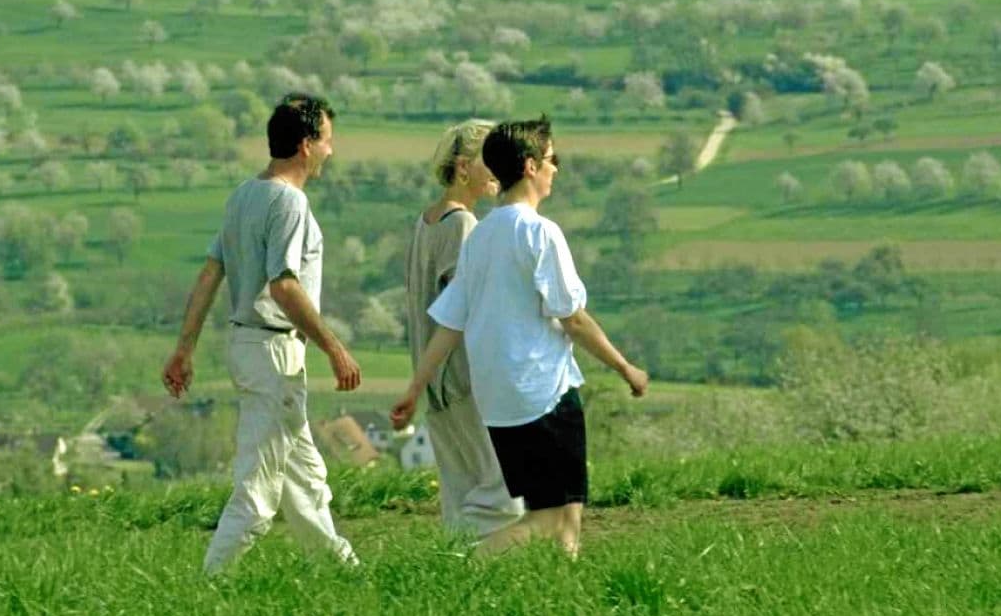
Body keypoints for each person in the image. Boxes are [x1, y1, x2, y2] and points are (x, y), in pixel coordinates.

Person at [391, 116, 648, 557]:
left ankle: (563, 591)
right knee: (552, 517)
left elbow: (450, 322)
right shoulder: (539, 232)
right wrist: (625, 367)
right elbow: (573, 319)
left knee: (566, 515)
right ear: (530, 166)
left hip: (499, 402)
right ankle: (466, 560)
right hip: (544, 392)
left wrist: (415, 388)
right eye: (552, 160)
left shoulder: (481, 234)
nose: (556, 169)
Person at [162, 93, 362, 575]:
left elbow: (212, 273)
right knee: (259, 489)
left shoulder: (244, 194)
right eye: (327, 142)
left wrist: (184, 348)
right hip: (273, 349)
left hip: (248, 346)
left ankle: (344, 574)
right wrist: (334, 348)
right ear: (306, 144)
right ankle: (210, 582)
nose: (331, 152)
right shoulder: (289, 203)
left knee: (304, 477)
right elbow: (285, 285)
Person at [405, 120, 524, 538]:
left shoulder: (425, 223)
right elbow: (466, 309)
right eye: (486, 161)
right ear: (462, 167)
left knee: (459, 489)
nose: (495, 170)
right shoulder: (462, 226)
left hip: (433, 378)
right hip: (464, 378)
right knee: (506, 490)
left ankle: (457, 564)